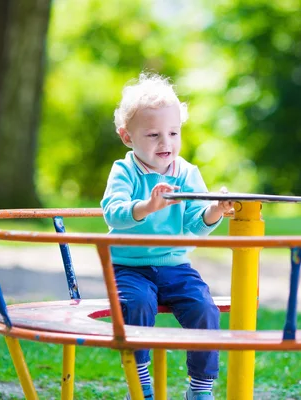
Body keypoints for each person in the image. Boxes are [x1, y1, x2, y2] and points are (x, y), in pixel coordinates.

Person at [101, 72, 233, 400]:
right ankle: (140, 379)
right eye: (154, 134)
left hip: (175, 265)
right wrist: (146, 206)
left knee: (205, 308)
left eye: (173, 133)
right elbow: (113, 212)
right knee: (138, 302)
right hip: (128, 265)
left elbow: (195, 223)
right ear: (127, 137)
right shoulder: (124, 171)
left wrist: (215, 210)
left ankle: (200, 387)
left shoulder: (187, 173)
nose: (166, 143)